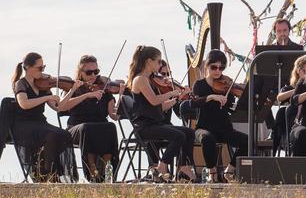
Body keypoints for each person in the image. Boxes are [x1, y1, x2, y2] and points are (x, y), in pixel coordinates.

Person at [127, 46, 197, 182]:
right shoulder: (140, 79)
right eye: (158, 62)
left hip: (154, 124)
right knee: (179, 136)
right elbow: (154, 101)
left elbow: (160, 106)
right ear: (149, 62)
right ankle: (162, 167)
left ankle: (184, 167)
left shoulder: (149, 80)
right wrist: (170, 93)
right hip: (144, 127)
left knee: (189, 132)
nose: (160, 65)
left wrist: (177, 97)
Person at [10, 52, 75, 181]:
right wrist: (47, 97)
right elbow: (24, 104)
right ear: (28, 67)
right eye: (39, 68)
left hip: (40, 123)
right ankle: (47, 174)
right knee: (51, 135)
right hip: (24, 124)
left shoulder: (43, 84)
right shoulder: (21, 84)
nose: (42, 71)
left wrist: (72, 90)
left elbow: (58, 107)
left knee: (63, 134)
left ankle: (52, 174)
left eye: (43, 67)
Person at [57, 54, 120, 182]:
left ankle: (106, 169)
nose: (93, 76)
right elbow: (61, 107)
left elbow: (114, 116)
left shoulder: (104, 89)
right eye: (89, 72)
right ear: (80, 73)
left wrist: (122, 97)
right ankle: (92, 172)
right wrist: (86, 96)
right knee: (88, 128)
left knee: (110, 127)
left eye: (96, 72)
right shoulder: (73, 87)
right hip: (76, 128)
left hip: (100, 128)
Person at [190, 50, 249, 182]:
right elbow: (193, 103)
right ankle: (213, 172)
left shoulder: (226, 85)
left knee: (247, 141)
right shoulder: (199, 85)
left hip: (224, 128)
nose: (218, 71)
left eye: (221, 68)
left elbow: (230, 106)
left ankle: (230, 170)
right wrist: (211, 97)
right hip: (204, 127)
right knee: (207, 138)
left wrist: (234, 96)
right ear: (207, 66)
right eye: (214, 67)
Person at [272, 56, 306, 152]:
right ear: (298, 70)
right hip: (292, 123)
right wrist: (298, 89)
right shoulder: (290, 87)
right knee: (283, 111)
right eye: (305, 70)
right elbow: (279, 97)